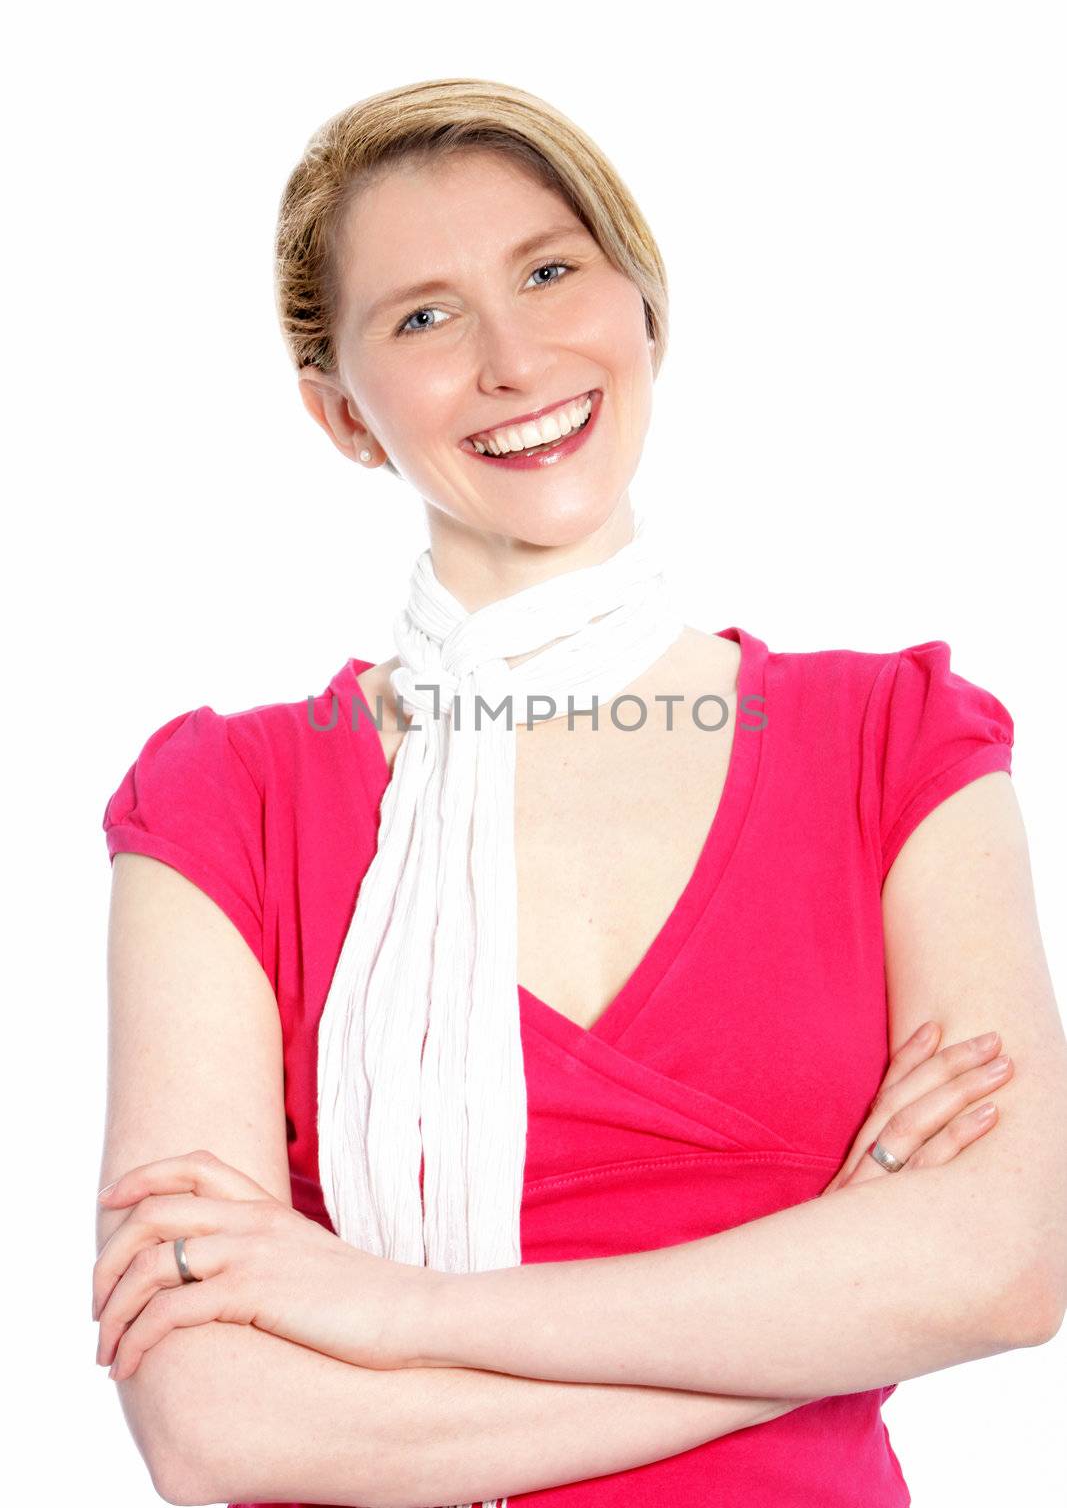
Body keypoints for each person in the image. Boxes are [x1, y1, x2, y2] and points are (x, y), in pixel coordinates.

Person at [95, 78, 1065, 1508]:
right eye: (422, 316)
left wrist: (389, 1314)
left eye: (550, 271)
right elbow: (219, 1429)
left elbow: (1006, 1264)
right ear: (342, 414)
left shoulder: (893, 741)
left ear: (646, 309)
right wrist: (824, 1312)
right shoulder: (223, 803)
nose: (513, 357)